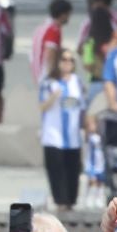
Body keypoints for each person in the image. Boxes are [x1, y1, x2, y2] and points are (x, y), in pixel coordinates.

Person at [39, 48, 85, 210]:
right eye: (64, 60)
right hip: (53, 134)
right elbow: (42, 106)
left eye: (71, 60)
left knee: (73, 171)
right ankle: (60, 202)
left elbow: (82, 106)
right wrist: (53, 97)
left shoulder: (76, 81)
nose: (67, 63)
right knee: (56, 170)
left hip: (72, 135)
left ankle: (71, 202)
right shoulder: (49, 82)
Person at [30, 0, 72, 87]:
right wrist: (55, 75)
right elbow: (50, 53)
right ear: (62, 15)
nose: (69, 17)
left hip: (38, 74)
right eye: (68, 14)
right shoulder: (54, 30)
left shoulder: (42, 27)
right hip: (47, 77)